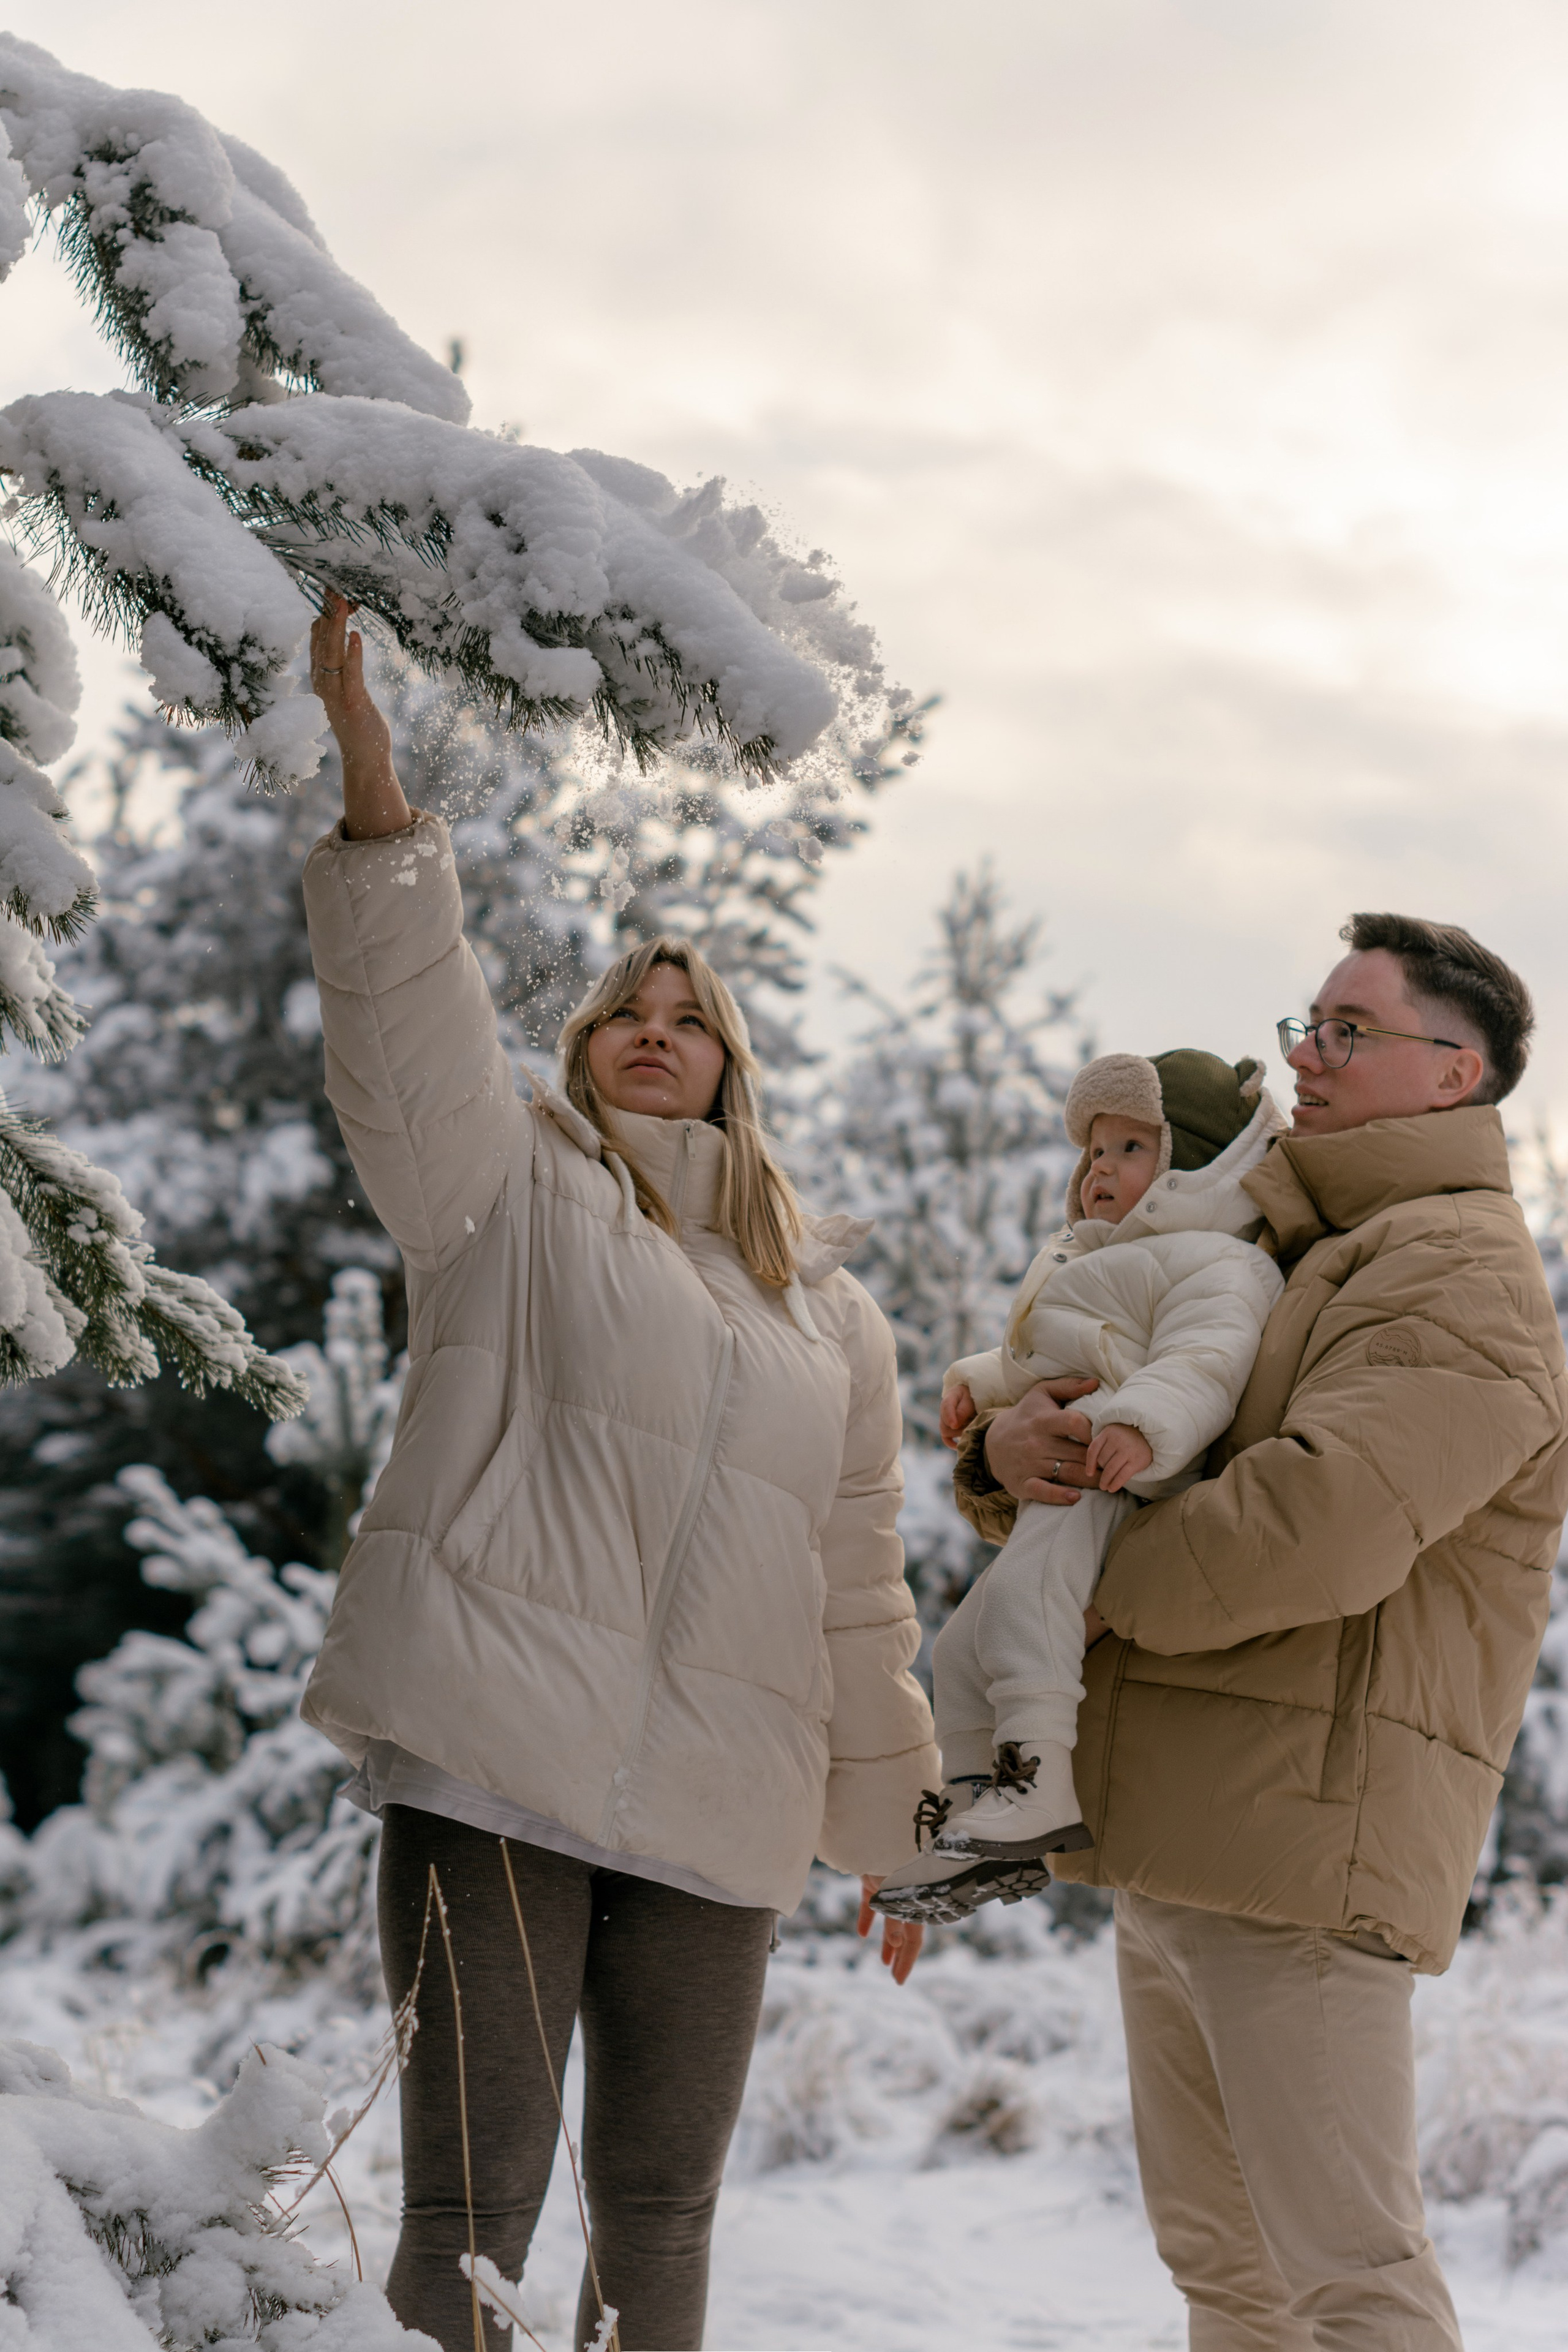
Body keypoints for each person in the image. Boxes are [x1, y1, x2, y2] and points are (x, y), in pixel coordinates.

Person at [296, 594, 937, 2352]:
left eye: (691, 1015)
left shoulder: (832, 1315)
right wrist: (379, 798)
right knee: (474, 2210)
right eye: (626, 1012)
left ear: (734, 1065)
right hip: (499, 1759)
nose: (657, 1030)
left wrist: (895, 1834)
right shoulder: (502, 1193)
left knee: (661, 2215)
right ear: (582, 1048)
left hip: (724, 1810)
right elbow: (406, 1034)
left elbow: (856, 1588)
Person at [951, 914, 1568, 2350]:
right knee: (1226, 2282)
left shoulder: (1456, 1271)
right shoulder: (1283, 1250)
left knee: (1348, 2284)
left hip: (1302, 1859)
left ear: (1453, 1072)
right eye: (1307, 1024)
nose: (1306, 1056)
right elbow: (1124, 1432)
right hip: (1193, 1841)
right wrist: (1004, 1456)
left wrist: (1072, 1594)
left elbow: (1312, 1526)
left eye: (1349, 1031)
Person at [873, 1048, 1285, 1924]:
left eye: (1133, 1148)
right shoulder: (1099, 1259)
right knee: (962, 1646)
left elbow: (1205, 1362)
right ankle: (977, 1804)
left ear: (1198, 1166)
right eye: (1095, 1151)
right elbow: (1047, 1357)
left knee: (1025, 1612)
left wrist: (1142, 1422)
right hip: (1077, 1469)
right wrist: (978, 1381)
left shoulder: (1220, 1264)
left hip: (1118, 1478)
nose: (1101, 1168)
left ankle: (1036, 1786)